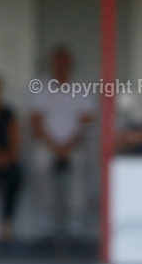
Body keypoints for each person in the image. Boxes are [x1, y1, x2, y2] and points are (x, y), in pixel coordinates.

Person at [30, 46, 96, 244]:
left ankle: (75, 228)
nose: (61, 66)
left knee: (79, 171)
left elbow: (87, 120)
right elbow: (35, 121)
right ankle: (45, 227)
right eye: (57, 62)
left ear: (70, 64)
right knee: (40, 166)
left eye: (64, 62)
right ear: (52, 64)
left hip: (75, 144)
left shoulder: (81, 86)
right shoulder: (41, 86)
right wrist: (55, 146)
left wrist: (67, 146)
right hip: (47, 144)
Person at [0, 75, 23, 243]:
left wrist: (6, 156)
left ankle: (6, 222)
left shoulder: (8, 113)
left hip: (6, 161)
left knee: (16, 175)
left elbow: (15, 141)